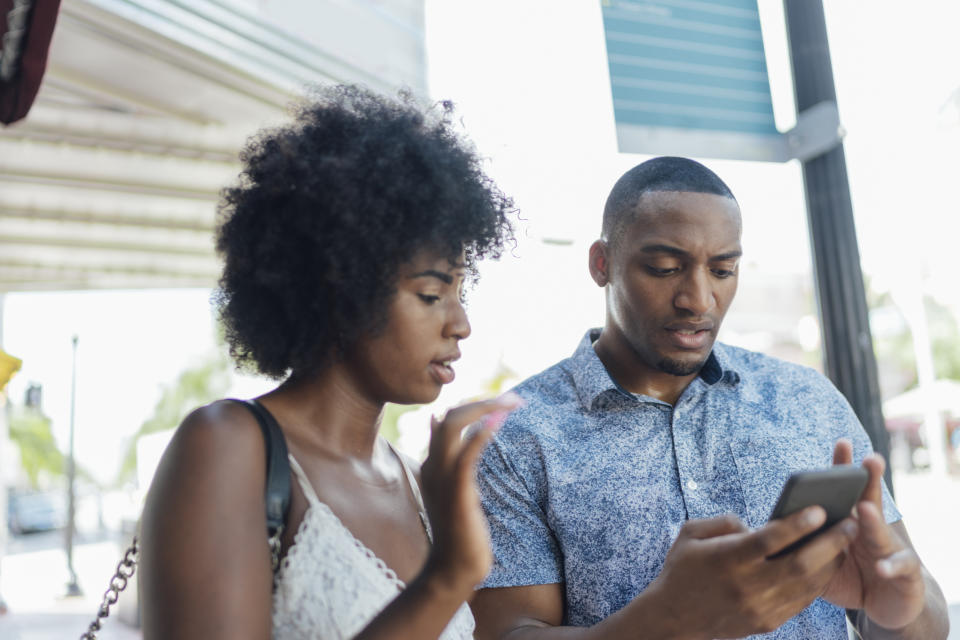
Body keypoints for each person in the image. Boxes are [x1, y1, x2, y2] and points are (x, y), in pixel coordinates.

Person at [471, 157, 949, 639]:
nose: (698, 300)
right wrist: (664, 622)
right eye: (665, 268)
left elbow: (917, 618)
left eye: (723, 270)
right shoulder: (514, 436)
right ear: (602, 264)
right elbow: (508, 632)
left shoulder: (807, 400)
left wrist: (899, 614)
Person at [139, 85, 521, 640]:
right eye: (431, 294)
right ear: (343, 287)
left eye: (462, 291)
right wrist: (446, 579)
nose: (460, 324)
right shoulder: (227, 446)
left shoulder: (418, 483)